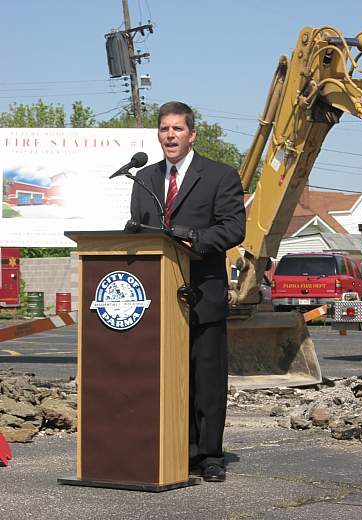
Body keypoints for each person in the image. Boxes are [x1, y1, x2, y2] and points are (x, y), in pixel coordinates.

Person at [130, 101, 245, 482]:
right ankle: (174, 448)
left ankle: (209, 454)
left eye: (177, 129)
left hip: (203, 294)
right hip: (158, 299)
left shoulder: (219, 176)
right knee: (168, 378)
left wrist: (193, 239)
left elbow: (233, 228)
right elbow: (138, 232)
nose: (170, 135)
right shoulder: (144, 180)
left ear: (192, 134)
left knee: (206, 379)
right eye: (164, 129)